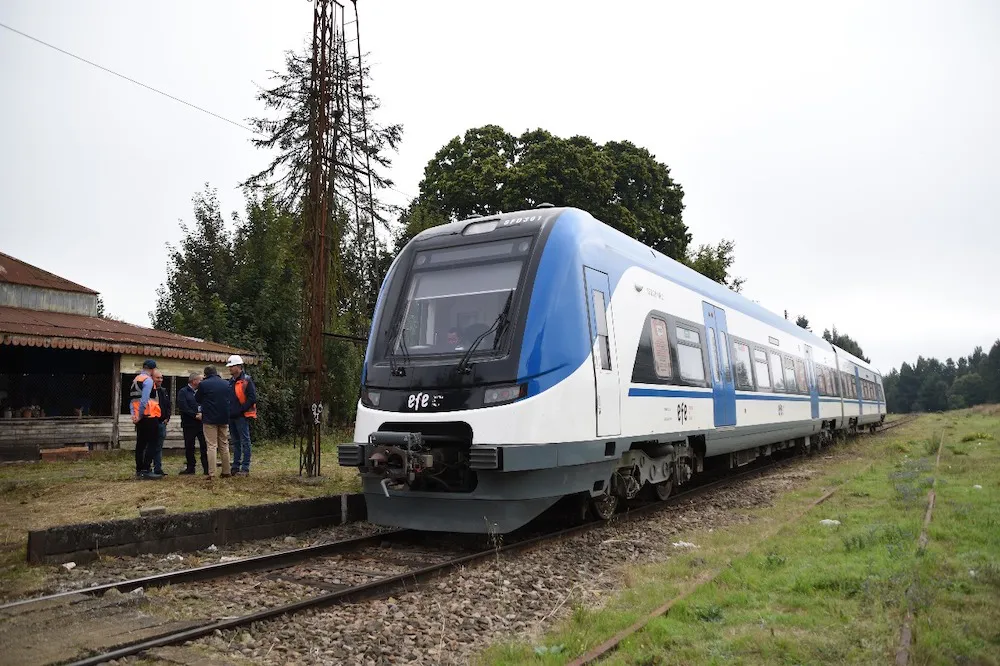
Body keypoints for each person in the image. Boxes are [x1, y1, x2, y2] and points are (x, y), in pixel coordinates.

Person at [196, 365, 231, 479]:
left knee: (211, 446)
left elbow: (197, 398)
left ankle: (212, 473)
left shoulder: (204, 384)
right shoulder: (226, 383)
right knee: (224, 445)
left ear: (205, 374)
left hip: (210, 419)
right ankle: (226, 471)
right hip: (224, 418)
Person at [129, 359, 162, 480]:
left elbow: (132, 401)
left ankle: (139, 470)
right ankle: (146, 469)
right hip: (149, 416)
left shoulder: (136, 380)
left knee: (140, 444)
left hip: (140, 418)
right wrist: (141, 415)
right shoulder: (148, 381)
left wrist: (135, 416)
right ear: (152, 370)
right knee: (152, 443)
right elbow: (144, 400)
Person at [226, 355, 257, 476]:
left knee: (245, 441)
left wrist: (241, 410)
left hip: (242, 416)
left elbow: (252, 398)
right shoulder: (231, 382)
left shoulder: (247, 380)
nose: (230, 369)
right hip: (232, 416)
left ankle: (245, 468)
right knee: (235, 442)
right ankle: (235, 466)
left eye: (231, 366)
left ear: (238, 367)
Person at [177, 372, 208, 475]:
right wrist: (195, 415)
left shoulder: (202, 391)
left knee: (204, 445)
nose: (202, 382)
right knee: (189, 446)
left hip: (202, 423)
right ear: (194, 381)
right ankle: (191, 468)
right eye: (201, 380)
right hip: (189, 424)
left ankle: (206, 468)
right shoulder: (183, 392)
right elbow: (183, 407)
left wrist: (203, 414)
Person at [151, 370, 172, 476]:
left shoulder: (164, 391)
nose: (160, 380)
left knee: (159, 446)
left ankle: (158, 468)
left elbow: (168, 405)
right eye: (157, 378)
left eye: (161, 378)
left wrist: (167, 418)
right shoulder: (149, 391)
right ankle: (147, 468)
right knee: (149, 445)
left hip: (161, 423)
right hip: (150, 423)